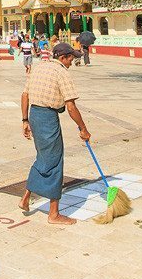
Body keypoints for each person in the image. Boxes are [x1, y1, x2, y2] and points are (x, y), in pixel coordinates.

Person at [19, 42, 91, 226]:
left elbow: (25, 95)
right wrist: (83, 128)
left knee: (43, 157)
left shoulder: (39, 67)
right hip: (47, 117)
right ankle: (54, 213)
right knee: (55, 161)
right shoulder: (61, 72)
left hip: (34, 114)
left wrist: (25, 120)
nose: (71, 63)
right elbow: (71, 106)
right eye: (70, 59)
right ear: (63, 57)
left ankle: (26, 198)